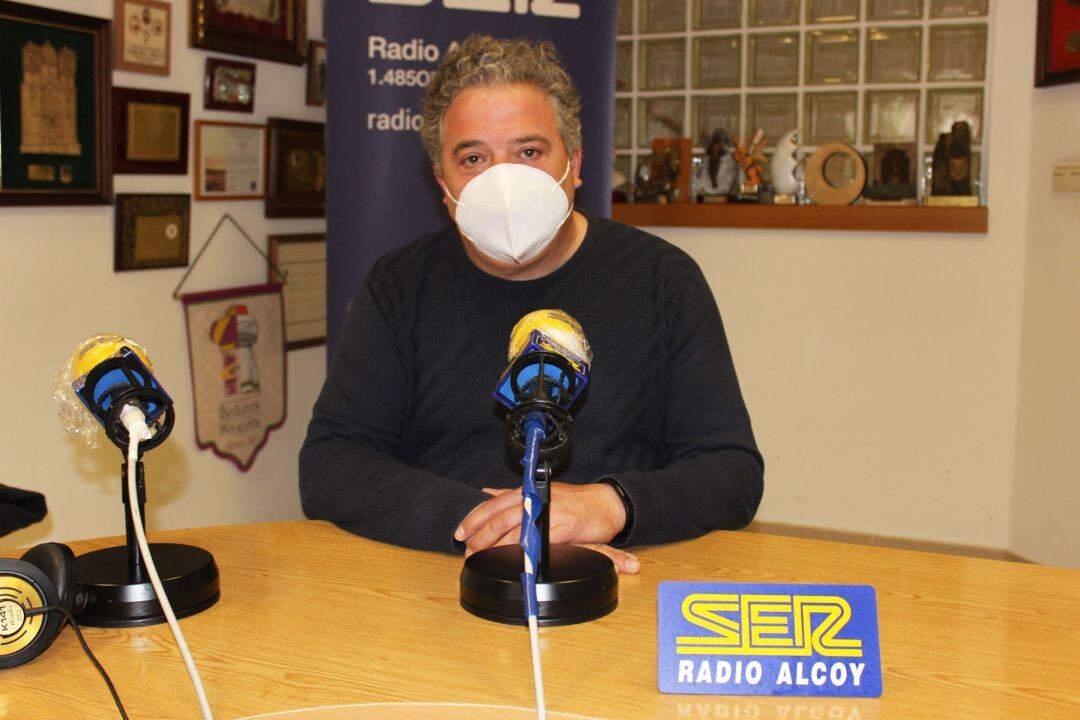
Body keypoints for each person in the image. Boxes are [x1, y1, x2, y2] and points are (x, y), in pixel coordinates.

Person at [299, 36, 763, 574]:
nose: (504, 181)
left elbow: (731, 471)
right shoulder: (400, 285)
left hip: (624, 576)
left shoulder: (663, 279)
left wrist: (610, 505)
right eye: (473, 158)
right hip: (444, 578)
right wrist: (490, 523)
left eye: (529, 152)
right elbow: (331, 465)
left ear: (576, 163)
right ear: (442, 184)